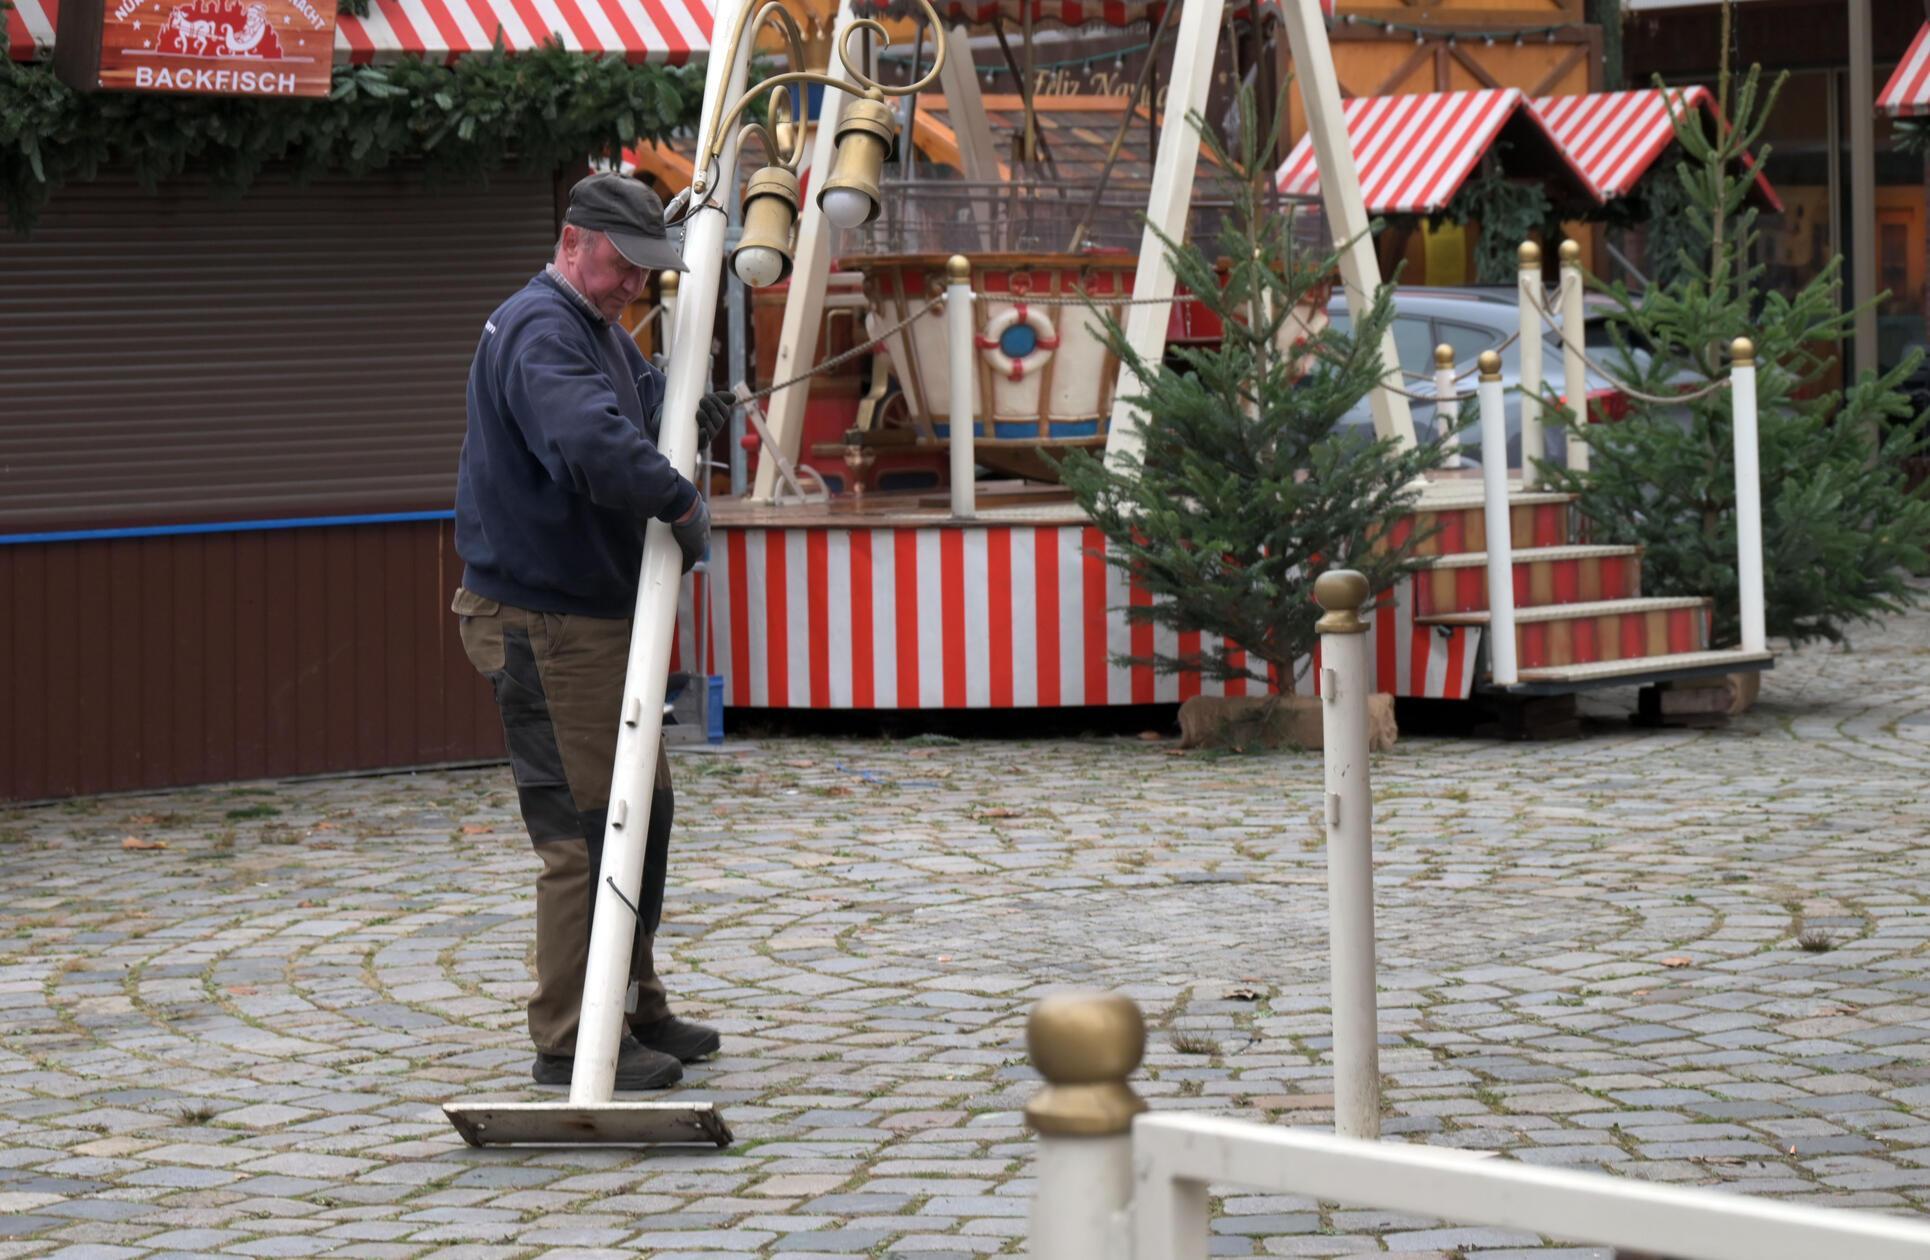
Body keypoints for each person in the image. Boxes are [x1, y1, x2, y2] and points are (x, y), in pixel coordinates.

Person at [450, 171, 735, 1090]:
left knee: (639, 815)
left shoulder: (589, 327)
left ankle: (631, 998)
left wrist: (682, 414)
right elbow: (589, 446)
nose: (636, 288)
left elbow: (629, 416)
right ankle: (572, 1038)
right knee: (583, 832)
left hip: (587, 617)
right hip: (545, 622)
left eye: (648, 274)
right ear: (574, 241)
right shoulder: (542, 330)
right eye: (624, 268)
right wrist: (681, 497)